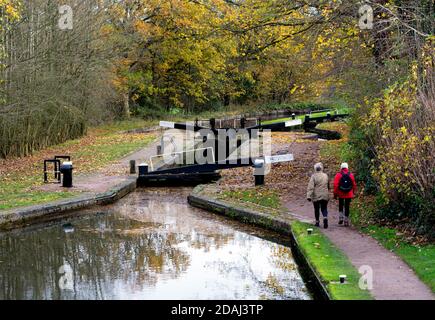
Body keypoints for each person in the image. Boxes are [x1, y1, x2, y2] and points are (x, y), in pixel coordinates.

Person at [307, 162, 330, 229]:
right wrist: (327, 192)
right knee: (324, 207)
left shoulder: (313, 176)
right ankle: (325, 217)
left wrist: (308, 196)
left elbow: (310, 187)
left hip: (316, 196)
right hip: (325, 195)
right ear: (321, 168)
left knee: (316, 209)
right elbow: (328, 185)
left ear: (315, 169)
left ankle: (317, 222)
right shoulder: (325, 175)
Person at [333, 163, 357, 227]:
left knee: (341, 204)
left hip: (341, 193)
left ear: (341, 168)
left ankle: (341, 217)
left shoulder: (338, 175)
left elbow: (335, 185)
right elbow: (354, 184)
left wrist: (335, 194)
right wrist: (354, 192)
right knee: (347, 206)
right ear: (347, 167)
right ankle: (346, 220)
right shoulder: (351, 175)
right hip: (349, 193)